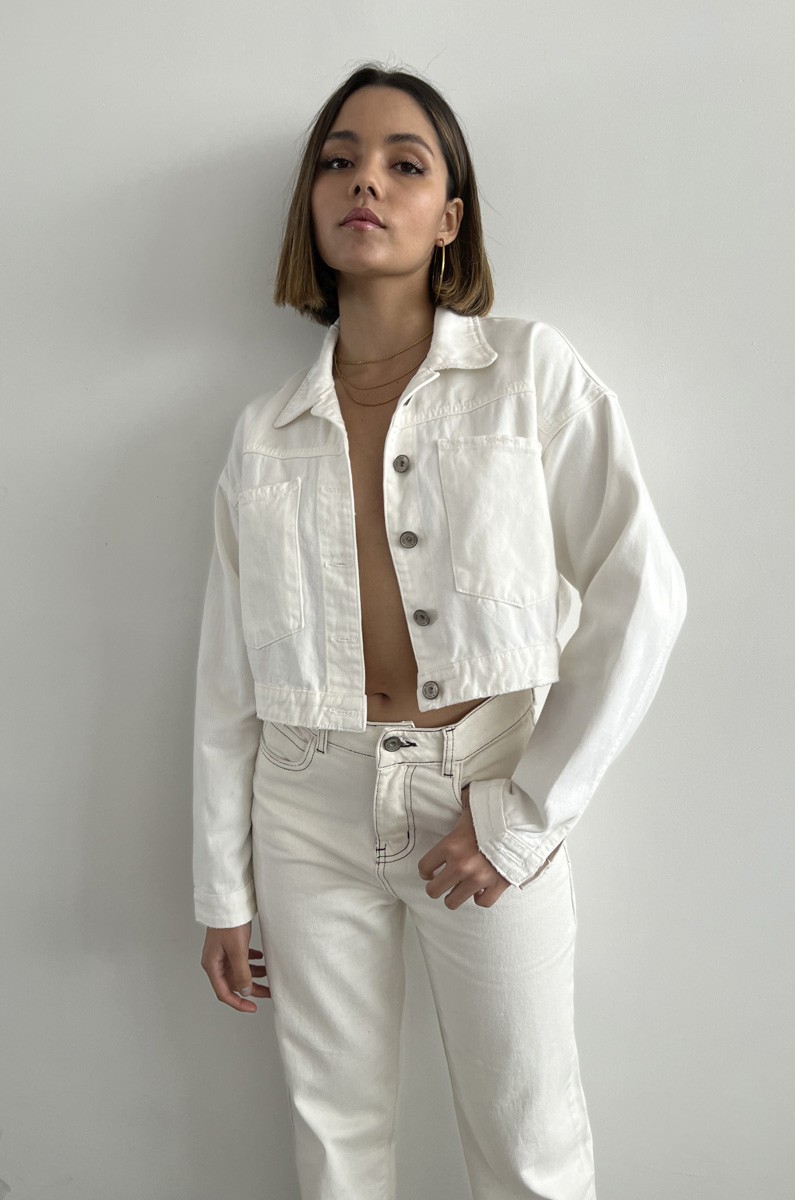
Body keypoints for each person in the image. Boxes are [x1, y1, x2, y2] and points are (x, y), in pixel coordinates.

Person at [192, 60, 687, 1200]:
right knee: (334, 1139)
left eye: (403, 164)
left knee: (528, 1139)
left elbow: (642, 594)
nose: (364, 180)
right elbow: (227, 678)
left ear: (448, 217)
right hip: (305, 808)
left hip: (483, 783)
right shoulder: (262, 430)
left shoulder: (528, 374)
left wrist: (520, 818)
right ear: (312, 206)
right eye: (338, 161)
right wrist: (221, 889)